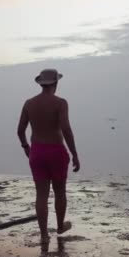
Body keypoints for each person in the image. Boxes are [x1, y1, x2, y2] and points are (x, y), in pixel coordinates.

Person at [17, 68, 80, 242]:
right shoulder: (60, 103)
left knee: (41, 195)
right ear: (56, 83)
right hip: (56, 152)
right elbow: (66, 129)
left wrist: (26, 147)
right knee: (60, 192)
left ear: (41, 83)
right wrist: (74, 154)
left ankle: (44, 235)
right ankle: (60, 227)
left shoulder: (29, 103)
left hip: (37, 152)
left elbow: (20, 130)